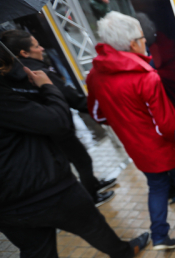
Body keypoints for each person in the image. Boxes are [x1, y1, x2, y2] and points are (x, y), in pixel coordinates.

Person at [0, 46, 149, 258]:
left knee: (36, 256)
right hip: (44, 186)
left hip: (7, 204)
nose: (40, 47)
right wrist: (47, 87)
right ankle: (123, 253)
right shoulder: (7, 96)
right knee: (92, 224)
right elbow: (57, 122)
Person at [86, 11, 175, 251]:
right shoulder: (146, 78)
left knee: (156, 187)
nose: (146, 41)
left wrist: (124, 122)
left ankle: (159, 235)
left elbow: (98, 114)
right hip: (162, 147)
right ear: (132, 43)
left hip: (136, 148)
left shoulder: (95, 75)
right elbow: (166, 125)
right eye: (142, 37)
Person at [0, 30, 117, 206]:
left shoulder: (7, 77)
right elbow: (71, 97)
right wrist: (107, 112)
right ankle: (92, 196)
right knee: (83, 161)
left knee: (74, 161)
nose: (42, 48)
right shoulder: (37, 72)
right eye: (37, 46)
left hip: (39, 133)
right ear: (24, 53)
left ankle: (92, 184)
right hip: (57, 127)